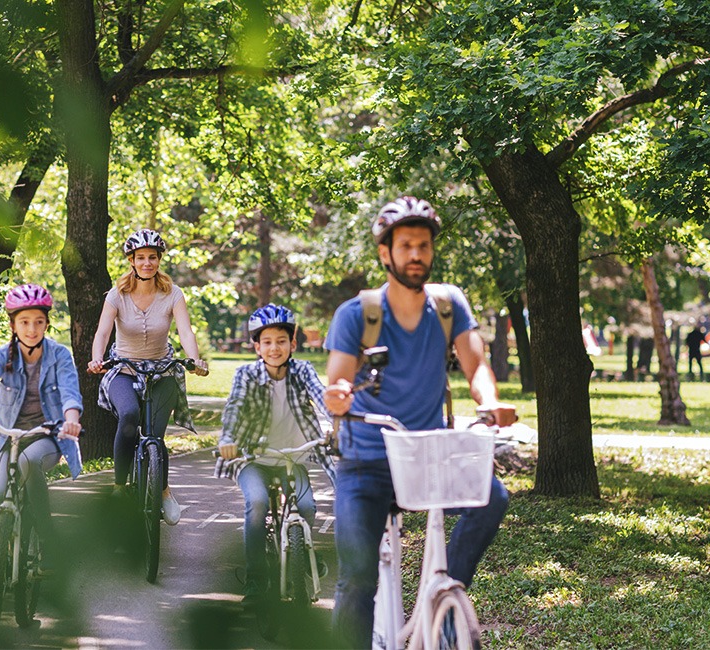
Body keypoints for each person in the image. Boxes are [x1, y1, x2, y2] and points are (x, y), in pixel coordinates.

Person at [323, 196, 517, 648]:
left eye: (424, 246)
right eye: (406, 245)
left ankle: (446, 595)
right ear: (385, 253)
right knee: (356, 582)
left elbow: (476, 366)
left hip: (426, 455)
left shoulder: (448, 305)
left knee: (491, 497)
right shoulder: (359, 314)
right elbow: (338, 384)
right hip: (367, 460)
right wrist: (338, 397)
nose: (416, 255)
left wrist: (491, 403)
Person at [0, 284, 83, 569]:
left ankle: (45, 537)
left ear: (47, 323)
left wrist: (71, 420)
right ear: (13, 325)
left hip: (46, 436)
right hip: (6, 437)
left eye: (38, 322)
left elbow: (71, 392)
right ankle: (1, 555)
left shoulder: (59, 355)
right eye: (24, 322)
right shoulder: (3, 355)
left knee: (29, 462)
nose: (31, 329)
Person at [87, 228, 209, 525]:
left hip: (162, 370)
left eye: (152, 258)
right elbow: (103, 332)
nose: (146, 263)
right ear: (131, 260)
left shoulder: (172, 294)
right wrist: (97, 358)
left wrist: (193, 360)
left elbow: (185, 331)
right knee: (129, 415)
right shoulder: (117, 295)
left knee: (155, 433)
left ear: (158, 260)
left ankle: (164, 491)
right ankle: (118, 487)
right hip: (124, 369)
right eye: (140, 257)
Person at [216, 304, 335, 605]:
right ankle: (255, 579)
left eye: (281, 341)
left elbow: (322, 398)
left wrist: (337, 425)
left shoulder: (303, 370)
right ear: (256, 346)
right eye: (266, 342)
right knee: (256, 503)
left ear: (293, 344)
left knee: (307, 507)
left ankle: (302, 550)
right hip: (254, 459)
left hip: (292, 458)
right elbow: (234, 407)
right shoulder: (246, 374)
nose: (274, 348)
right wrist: (229, 437)